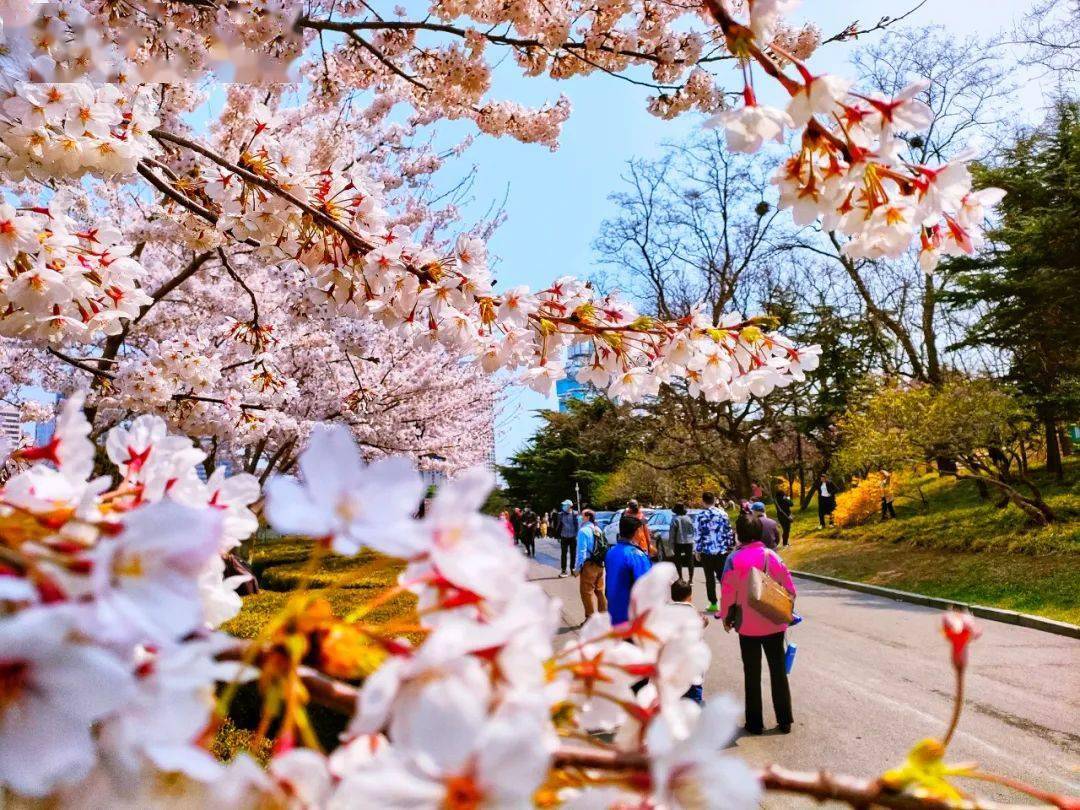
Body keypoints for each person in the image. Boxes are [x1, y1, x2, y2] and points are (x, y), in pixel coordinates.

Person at [720, 513, 796, 735]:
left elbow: (727, 593)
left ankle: (754, 723)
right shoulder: (772, 556)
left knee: (752, 673)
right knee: (778, 671)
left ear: (739, 534)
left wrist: (726, 617)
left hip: (747, 626)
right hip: (773, 623)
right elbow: (790, 589)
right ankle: (785, 721)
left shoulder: (733, 560)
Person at [605, 512, 652, 625]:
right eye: (641, 531)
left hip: (614, 611)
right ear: (636, 532)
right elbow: (646, 585)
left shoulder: (611, 552)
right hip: (632, 615)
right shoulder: (635, 554)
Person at [694, 491, 735, 614]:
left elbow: (698, 534)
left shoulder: (700, 515)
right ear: (714, 500)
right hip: (722, 551)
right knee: (724, 577)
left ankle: (713, 603)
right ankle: (727, 602)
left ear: (703, 501)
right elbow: (728, 531)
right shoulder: (723, 514)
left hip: (706, 551)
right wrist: (730, 546)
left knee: (709, 578)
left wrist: (697, 550)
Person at [670, 579, 706, 704]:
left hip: (673, 656)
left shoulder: (667, 610)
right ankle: (696, 705)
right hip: (692, 657)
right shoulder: (693, 610)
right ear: (690, 596)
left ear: (672, 596)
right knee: (694, 683)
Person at [574, 509, 608, 620]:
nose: (580, 517)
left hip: (589, 565)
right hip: (599, 564)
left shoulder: (583, 531)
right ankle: (603, 616)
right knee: (599, 591)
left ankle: (590, 619)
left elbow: (582, 551)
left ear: (587, 517)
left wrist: (578, 568)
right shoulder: (598, 529)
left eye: (582, 515)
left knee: (586, 592)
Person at [669, 503, 696, 582]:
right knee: (690, 560)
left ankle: (680, 577)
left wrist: (671, 544)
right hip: (689, 541)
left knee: (678, 560)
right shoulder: (688, 518)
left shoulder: (675, 519)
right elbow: (693, 530)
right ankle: (691, 579)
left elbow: (672, 533)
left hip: (678, 542)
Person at [555, 499, 580, 577]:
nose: (563, 506)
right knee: (563, 554)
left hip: (573, 536)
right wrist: (558, 536)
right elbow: (558, 525)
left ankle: (572, 568)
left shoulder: (575, 514)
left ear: (569, 506)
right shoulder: (560, 514)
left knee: (573, 553)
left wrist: (578, 535)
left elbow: (579, 525)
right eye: (563, 505)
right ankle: (563, 570)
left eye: (565, 505)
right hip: (564, 536)